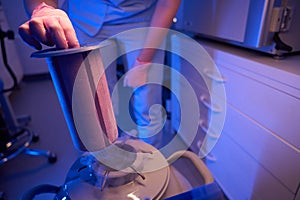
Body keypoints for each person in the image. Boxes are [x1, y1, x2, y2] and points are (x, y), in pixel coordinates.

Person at [18, 0, 181, 148]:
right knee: (96, 98)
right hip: (86, 16)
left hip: (142, 18)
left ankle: (153, 157)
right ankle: (108, 158)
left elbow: (168, 3)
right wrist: (42, 8)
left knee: (147, 98)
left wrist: (144, 61)